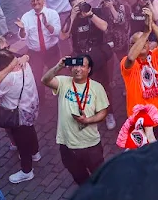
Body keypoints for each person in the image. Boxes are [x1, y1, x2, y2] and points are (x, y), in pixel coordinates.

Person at [42, 54, 110, 185]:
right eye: (75, 66)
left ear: (89, 69)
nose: (78, 69)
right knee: (79, 177)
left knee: (100, 177)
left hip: (91, 145)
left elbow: (103, 112)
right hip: (67, 145)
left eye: (82, 66)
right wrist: (58, 66)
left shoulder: (97, 87)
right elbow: (45, 80)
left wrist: (87, 121)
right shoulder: (63, 82)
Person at [0, 49, 40, 184]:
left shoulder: (8, 78)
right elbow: (25, 56)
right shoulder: (25, 65)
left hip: (18, 114)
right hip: (30, 107)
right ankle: (35, 153)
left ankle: (27, 171)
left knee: (22, 143)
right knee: (31, 129)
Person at [120, 12, 158, 128]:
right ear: (131, 47)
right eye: (137, 43)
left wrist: (151, 25)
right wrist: (145, 33)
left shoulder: (156, 55)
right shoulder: (126, 62)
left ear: (149, 43)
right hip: (141, 121)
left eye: (145, 41)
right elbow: (131, 57)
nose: (142, 44)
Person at [15, 0, 62, 93]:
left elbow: (57, 32)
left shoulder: (52, 13)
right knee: (36, 77)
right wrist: (22, 29)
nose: (35, 2)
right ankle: (41, 100)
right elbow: (23, 37)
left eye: (38, 0)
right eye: (33, 1)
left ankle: (59, 94)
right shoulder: (26, 17)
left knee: (57, 74)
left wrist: (47, 25)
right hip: (35, 52)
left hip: (52, 50)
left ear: (43, 1)